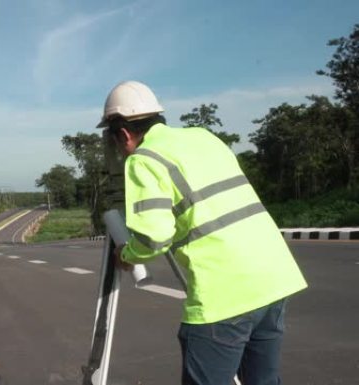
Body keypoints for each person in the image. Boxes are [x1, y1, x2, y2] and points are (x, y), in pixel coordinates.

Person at [96, 81, 307, 385]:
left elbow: (153, 236)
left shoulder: (144, 159)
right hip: (274, 279)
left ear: (124, 134)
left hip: (225, 295)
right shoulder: (204, 137)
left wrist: (127, 254)